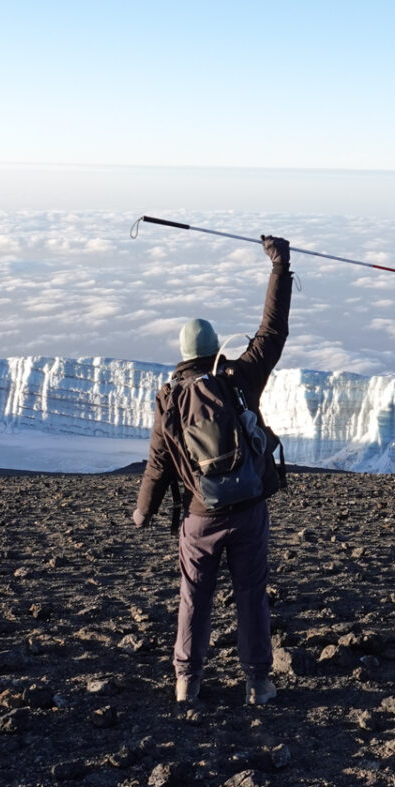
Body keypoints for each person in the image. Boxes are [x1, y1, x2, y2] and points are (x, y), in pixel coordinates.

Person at [132, 234, 294, 705]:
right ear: (213, 348)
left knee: (194, 598)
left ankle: (188, 682)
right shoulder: (238, 380)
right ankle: (259, 683)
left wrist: (144, 511)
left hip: (200, 518)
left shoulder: (170, 400)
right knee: (251, 596)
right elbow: (272, 332)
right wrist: (279, 269)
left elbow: (158, 464)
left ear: (183, 353)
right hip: (248, 511)